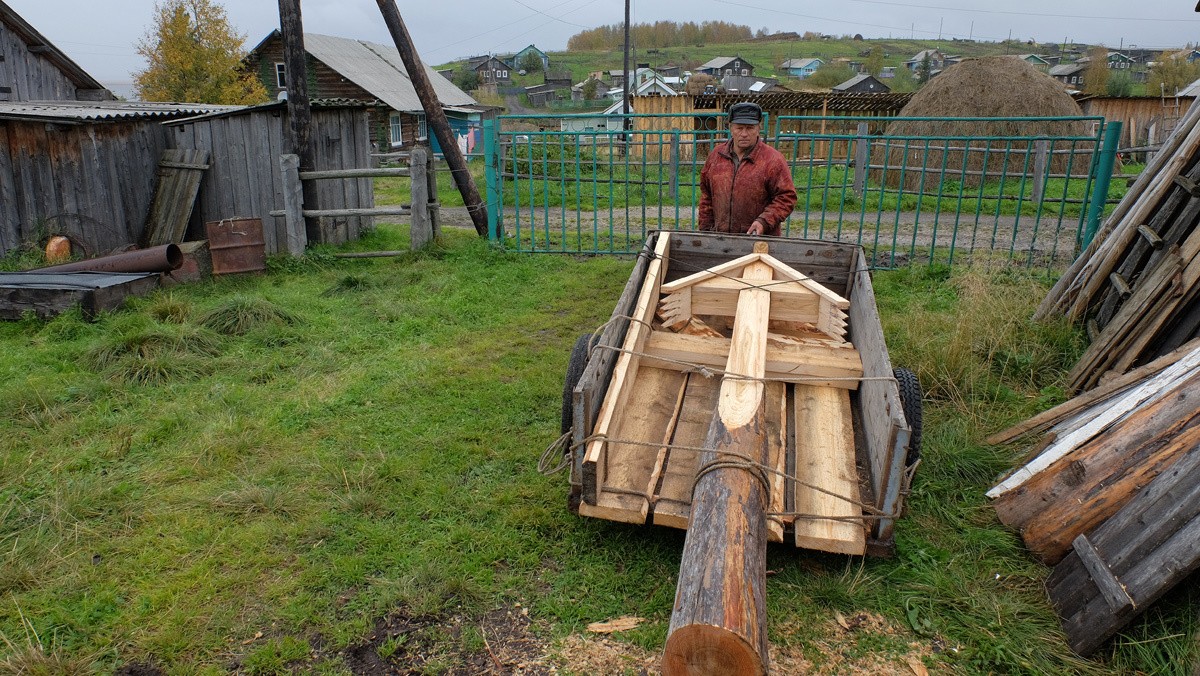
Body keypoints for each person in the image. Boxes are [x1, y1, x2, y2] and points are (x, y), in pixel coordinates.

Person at [697, 101, 797, 236]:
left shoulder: (772, 160)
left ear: (758, 128)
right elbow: (706, 195)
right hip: (721, 239)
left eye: (750, 128)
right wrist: (705, 230)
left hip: (759, 240)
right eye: (739, 128)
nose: (744, 133)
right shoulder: (716, 157)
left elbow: (786, 197)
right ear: (731, 128)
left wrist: (764, 221)